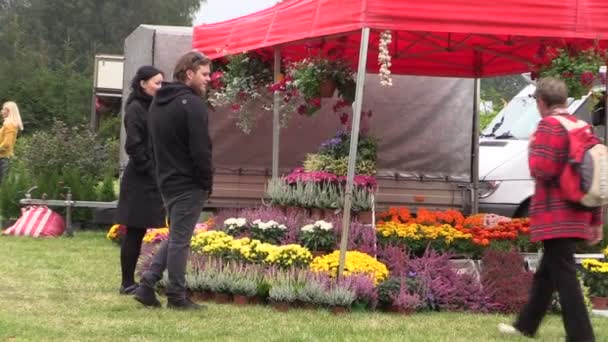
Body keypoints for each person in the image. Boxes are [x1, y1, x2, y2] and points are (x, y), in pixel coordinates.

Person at [498, 77, 603, 342]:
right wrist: (595, 220)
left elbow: (541, 168)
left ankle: (582, 336)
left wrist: (533, 145)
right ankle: (526, 325)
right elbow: (595, 175)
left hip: (555, 215)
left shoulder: (549, 126)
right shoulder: (582, 126)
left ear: (541, 102)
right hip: (579, 211)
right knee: (548, 273)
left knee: (565, 277)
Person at [134, 51, 212, 310]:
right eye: (204, 74)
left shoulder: (158, 102)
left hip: (166, 180)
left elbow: (152, 144)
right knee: (181, 239)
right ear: (189, 74)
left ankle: (147, 285)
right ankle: (177, 296)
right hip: (189, 182)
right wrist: (206, 180)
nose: (208, 79)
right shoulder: (193, 105)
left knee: (178, 233)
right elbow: (200, 149)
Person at [116, 66, 166, 295]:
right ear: (143, 84)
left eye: (162, 83)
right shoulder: (136, 108)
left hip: (153, 176)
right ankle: (127, 283)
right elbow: (134, 146)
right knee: (135, 231)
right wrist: (150, 170)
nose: (160, 87)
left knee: (146, 229)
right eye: (157, 83)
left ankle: (144, 279)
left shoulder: (154, 107)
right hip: (140, 179)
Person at [0, 101, 24, 184]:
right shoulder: (7, 124)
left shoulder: (10, 125)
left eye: (3, 109)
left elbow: (7, 144)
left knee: (3, 186)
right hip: (3, 157)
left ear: (9, 111)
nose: (1, 111)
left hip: (3, 158)